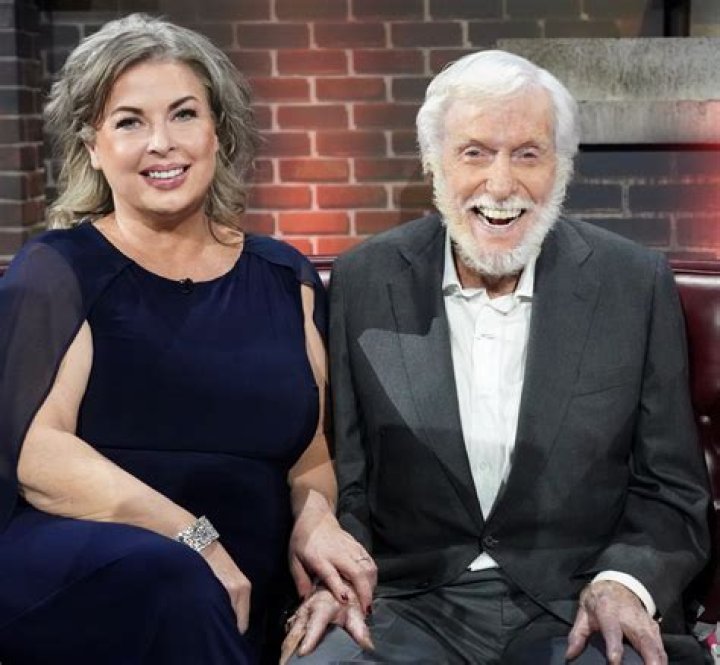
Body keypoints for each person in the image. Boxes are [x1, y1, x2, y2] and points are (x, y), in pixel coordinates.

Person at [284, 51, 711, 664]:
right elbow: (349, 477)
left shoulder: (633, 283)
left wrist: (623, 582)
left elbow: (672, 488)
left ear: (562, 167)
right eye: (475, 153)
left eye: (528, 154)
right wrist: (340, 578)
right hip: (408, 600)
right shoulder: (366, 279)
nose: (502, 184)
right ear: (433, 161)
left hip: (577, 602)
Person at [0, 14, 376, 665]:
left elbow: (311, 454)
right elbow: (39, 455)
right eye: (129, 122)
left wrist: (317, 518)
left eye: (183, 114)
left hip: (245, 573)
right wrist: (193, 537)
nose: (162, 143)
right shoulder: (59, 269)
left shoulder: (285, 276)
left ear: (217, 132)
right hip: (92, 562)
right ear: (92, 146)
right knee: (173, 582)